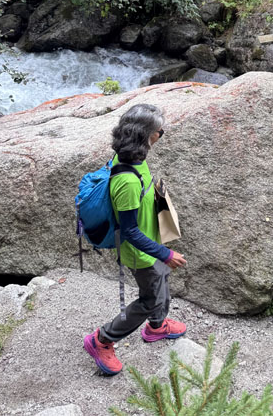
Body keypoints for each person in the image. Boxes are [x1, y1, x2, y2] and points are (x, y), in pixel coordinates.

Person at [83, 103, 188, 376]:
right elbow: (129, 231)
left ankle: (156, 327)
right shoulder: (127, 181)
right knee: (149, 298)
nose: (161, 134)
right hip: (141, 252)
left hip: (152, 241)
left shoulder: (133, 157)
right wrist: (164, 254)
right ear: (144, 135)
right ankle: (102, 339)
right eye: (159, 132)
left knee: (162, 278)